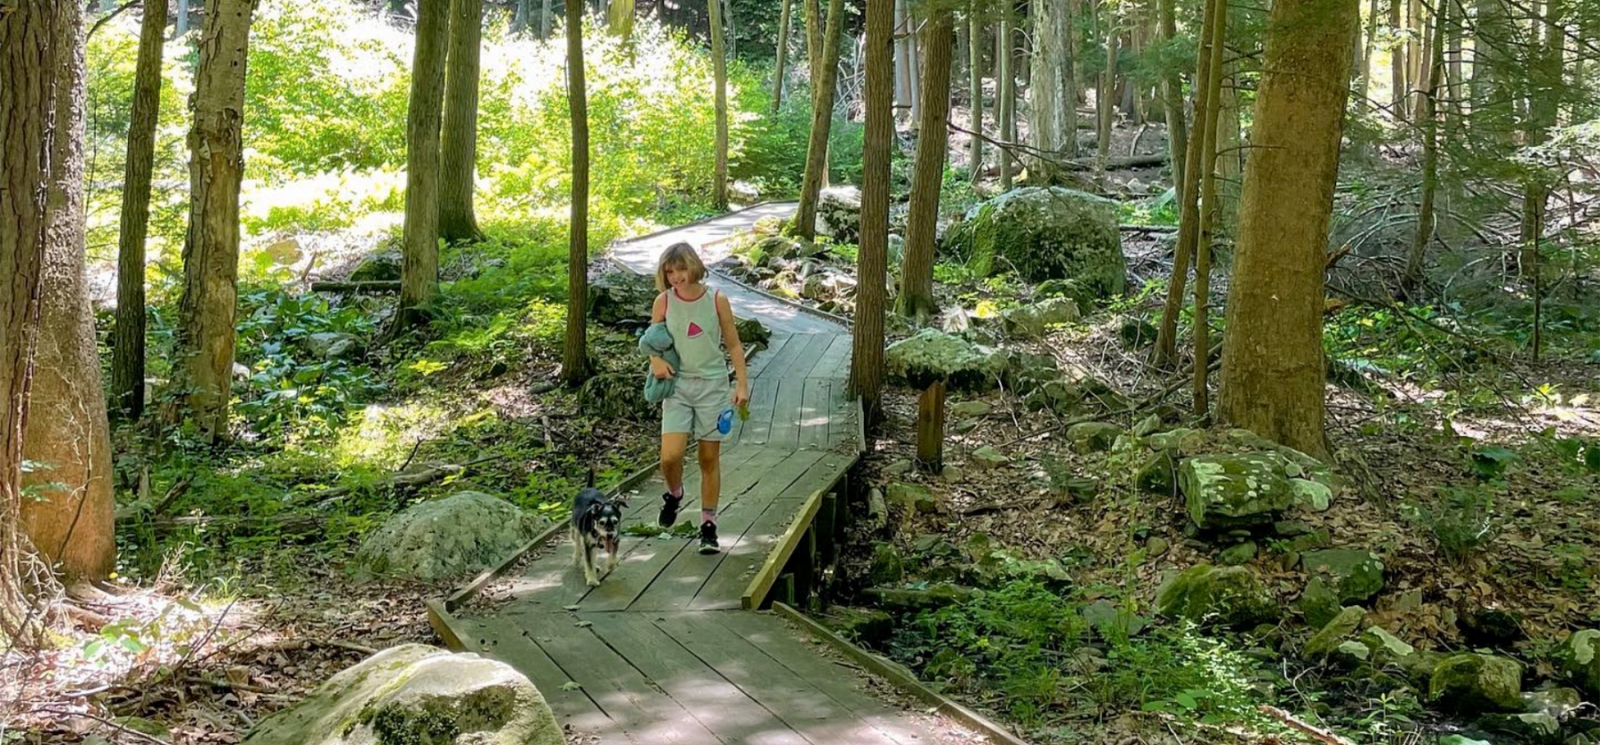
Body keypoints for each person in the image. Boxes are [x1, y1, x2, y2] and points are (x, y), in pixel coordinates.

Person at [643, 242, 750, 554]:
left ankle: (708, 525)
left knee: (708, 458)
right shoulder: (663, 302)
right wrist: (656, 363)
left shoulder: (717, 299)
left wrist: (742, 386)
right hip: (677, 387)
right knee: (670, 456)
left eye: (681, 269)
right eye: (670, 271)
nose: (676, 276)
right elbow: (653, 343)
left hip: (713, 388)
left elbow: (733, 345)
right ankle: (674, 494)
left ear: (694, 266)